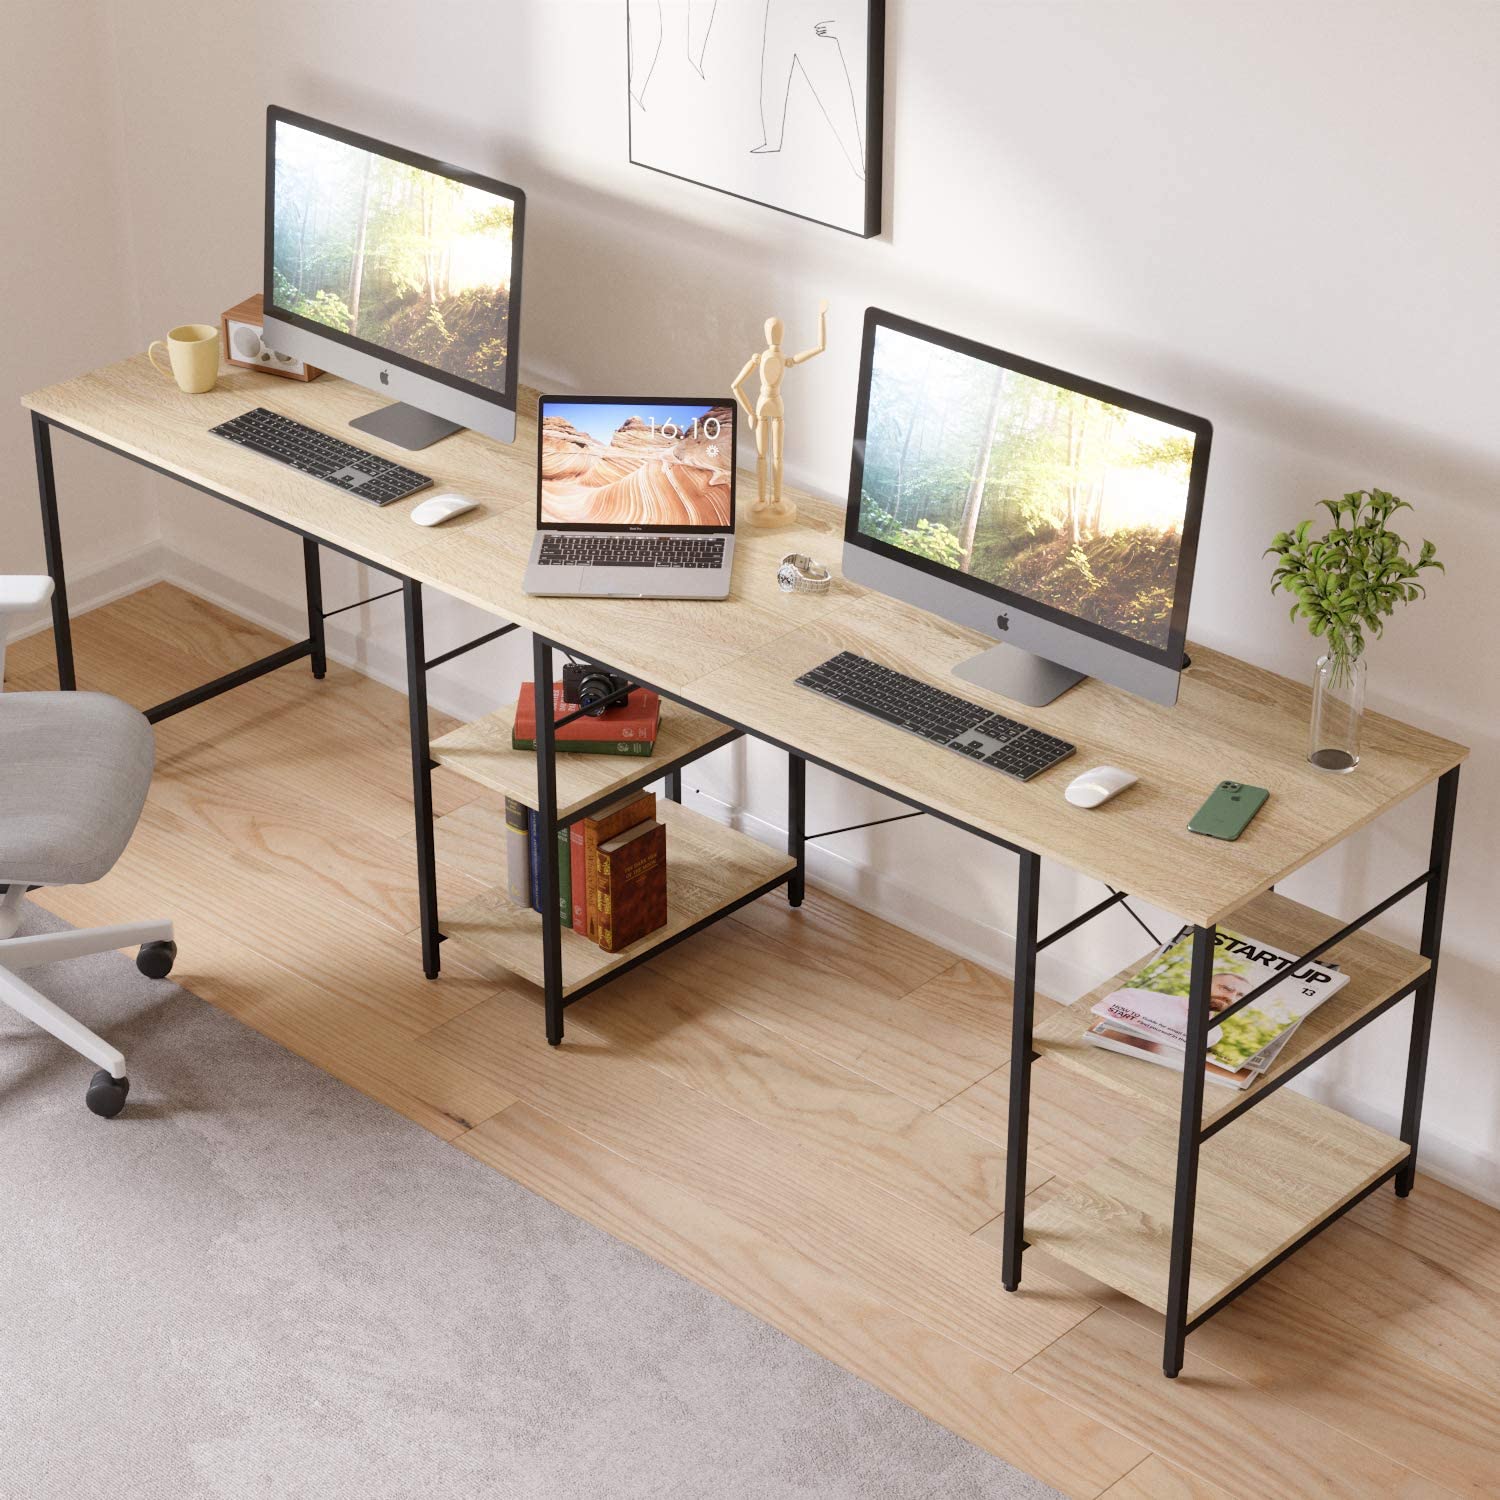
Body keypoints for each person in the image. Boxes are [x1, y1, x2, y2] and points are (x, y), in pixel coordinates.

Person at [750, 0, 866, 178]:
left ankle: (858, 163)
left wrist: (840, 23)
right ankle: (772, 141)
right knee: (772, 79)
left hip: (815, 27)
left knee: (834, 97)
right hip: (780, 21)